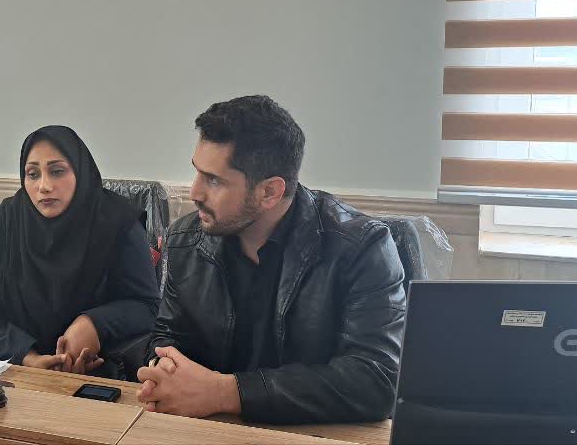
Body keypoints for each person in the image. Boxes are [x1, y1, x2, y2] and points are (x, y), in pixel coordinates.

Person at [136, 95, 406, 423]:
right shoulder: (185, 241)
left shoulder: (361, 248)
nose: (194, 192)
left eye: (214, 180)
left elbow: (374, 380)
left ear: (269, 192)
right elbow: (167, 335)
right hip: (212, 428)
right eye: (197, 172)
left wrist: (225, 392)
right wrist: (164, 367)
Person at [0, 125, 160, 376]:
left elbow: (148, 307)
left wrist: (93, 324)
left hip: (100, 371)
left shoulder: (118, 221)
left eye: (57, 171)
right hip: (19, 372)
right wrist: (29, 358)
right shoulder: (1, 222)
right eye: (33, 174)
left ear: (80, 171)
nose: (44, 186)